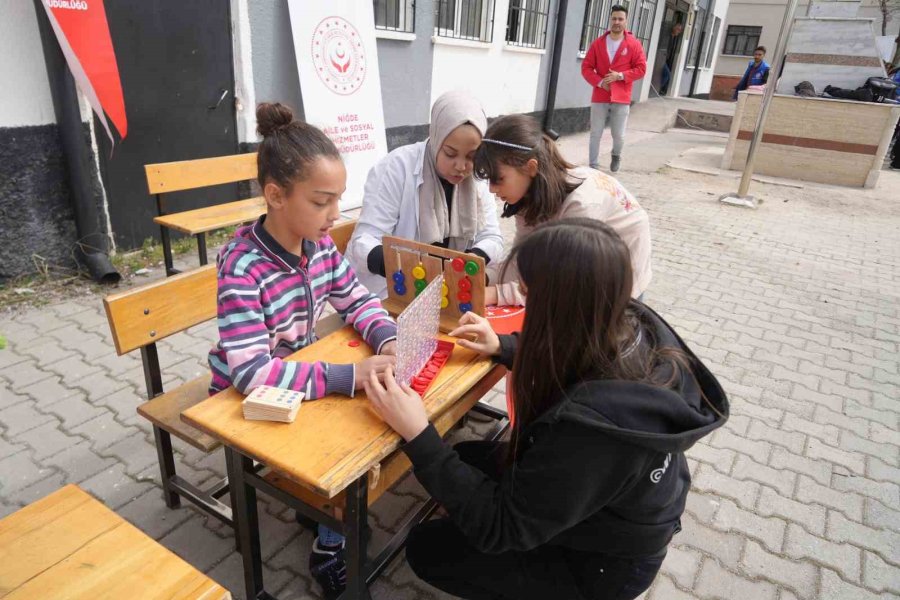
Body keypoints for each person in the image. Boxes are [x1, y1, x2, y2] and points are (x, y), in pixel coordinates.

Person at [365, 218, 729, 600]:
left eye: (527, 291)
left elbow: (501, 527)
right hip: (608, 510)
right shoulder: (634, 325)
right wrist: (504, 346)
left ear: (559, 306)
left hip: (602, 566)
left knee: (427, 548)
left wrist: (419, 434)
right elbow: (579, 348)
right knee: (465, 457)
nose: (521, 297)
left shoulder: (592, 432)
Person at [208, 102, 398, 600]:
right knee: (346, 436)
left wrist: (388, 337)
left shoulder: (318, 245)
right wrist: (349, 376)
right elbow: (251, 373)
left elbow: (357, 299)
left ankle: (326, 513)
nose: (335, 215)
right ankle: (331, 544)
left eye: (338, 200)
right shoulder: (243, 266)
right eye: (321, 201)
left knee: (367, 424)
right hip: (242, 394)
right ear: (275, 195)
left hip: (293, 372)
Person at [474, 114, 651, 307]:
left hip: (619, 276)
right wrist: (485, 277)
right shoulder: (527, 197)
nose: (491, 189)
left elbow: (560, 283)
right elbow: (523, 259)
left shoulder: (581, 206)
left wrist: (496, 293)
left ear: (530, 167)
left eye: (498, 179)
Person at [346, 90, 504, 298]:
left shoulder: (477, 178)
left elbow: (492, 237)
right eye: (450, 153)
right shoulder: (396, 168)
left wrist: (468, 263)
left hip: (449, 293)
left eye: (472, 156)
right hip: (390, 293)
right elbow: (364, 241)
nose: (461, 166)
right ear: (436, 138)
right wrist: (408, 270)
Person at [581, 4, 648, 173]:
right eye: (614, 18)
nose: (617, 22)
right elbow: (586, 67)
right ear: (610, 20)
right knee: (595, 133)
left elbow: (641, 69)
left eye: (620, 19)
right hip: (600, 95)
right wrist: (599, 82)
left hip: (621, 97)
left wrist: (621, 76)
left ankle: (616, 155)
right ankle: (593, 165)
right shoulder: (598, 43)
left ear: (626, 21)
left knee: (618, 135)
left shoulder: (633, 44)